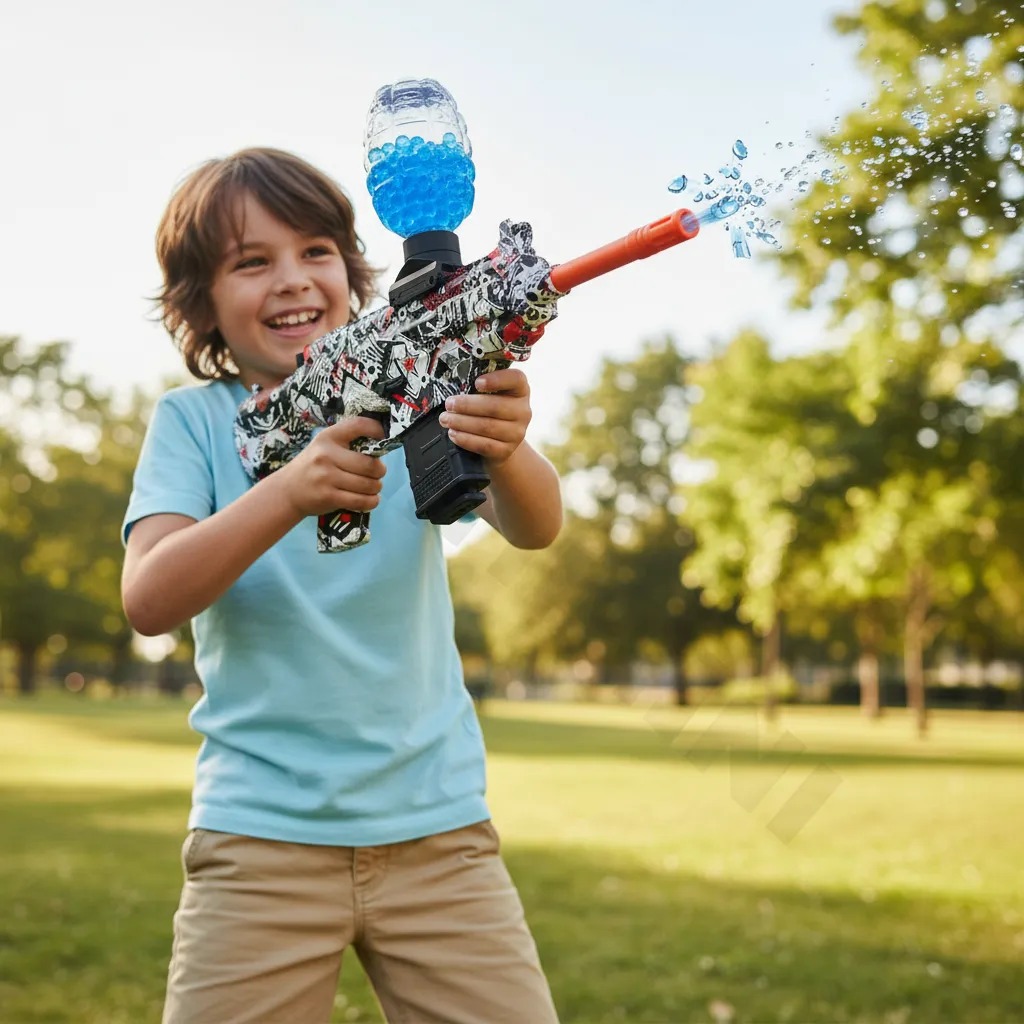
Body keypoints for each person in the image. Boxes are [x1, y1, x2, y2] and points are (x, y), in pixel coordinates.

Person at [121, 146, 563, 1024]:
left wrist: (506, 443)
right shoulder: (195, 423)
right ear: (200, 303)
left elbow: (537, 526)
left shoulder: (412, 394)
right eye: (253, 262)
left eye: (317, 251)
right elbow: (150, 596)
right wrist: (288, 490)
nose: (293, 279)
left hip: (438, 831)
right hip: (258, 841)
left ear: (353, 272)